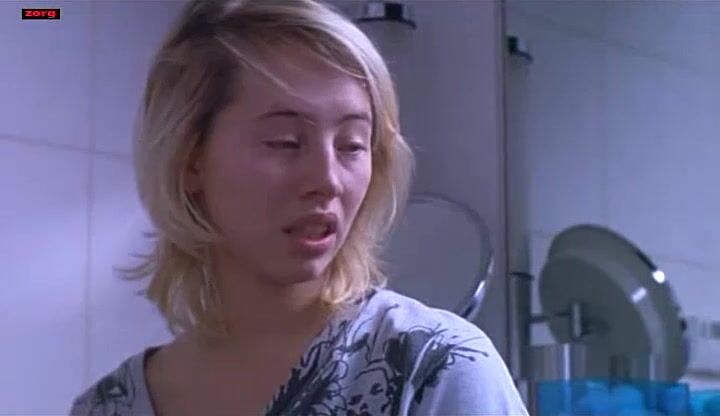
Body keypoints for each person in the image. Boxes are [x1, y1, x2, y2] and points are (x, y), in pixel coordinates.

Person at [68, 0, 529, 415]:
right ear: (190, 159)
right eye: (285, 142)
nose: (327, 180)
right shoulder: (107, 407)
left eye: (352, 145)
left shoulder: (435, 366)